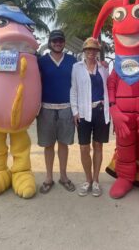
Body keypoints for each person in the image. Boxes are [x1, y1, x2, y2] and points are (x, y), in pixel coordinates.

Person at [37, 30, 76, 193]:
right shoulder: (41, 61)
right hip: (45, 108)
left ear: (64, 42)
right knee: (48, 145)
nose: (58, 43)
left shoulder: (73, 60)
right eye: (54, 41)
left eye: (60, 40)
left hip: (67, 108)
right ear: (49, 42)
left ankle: (64, 176)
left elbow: (81, 82)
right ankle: (48, 177)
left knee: (63, 144)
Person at [70, 37, 110, 197]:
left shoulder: (103, 68)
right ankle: (87, 180)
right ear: (84, 51)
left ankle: (96, 181)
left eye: (94, 50)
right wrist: (75, 111)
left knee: (98, 146)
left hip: (100, 111)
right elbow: (73, 90)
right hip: (84, 112)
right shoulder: (76, 67)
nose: (91, 52)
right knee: (84, 148)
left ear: (97, 52)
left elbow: (109, 86)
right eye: (88, 50)